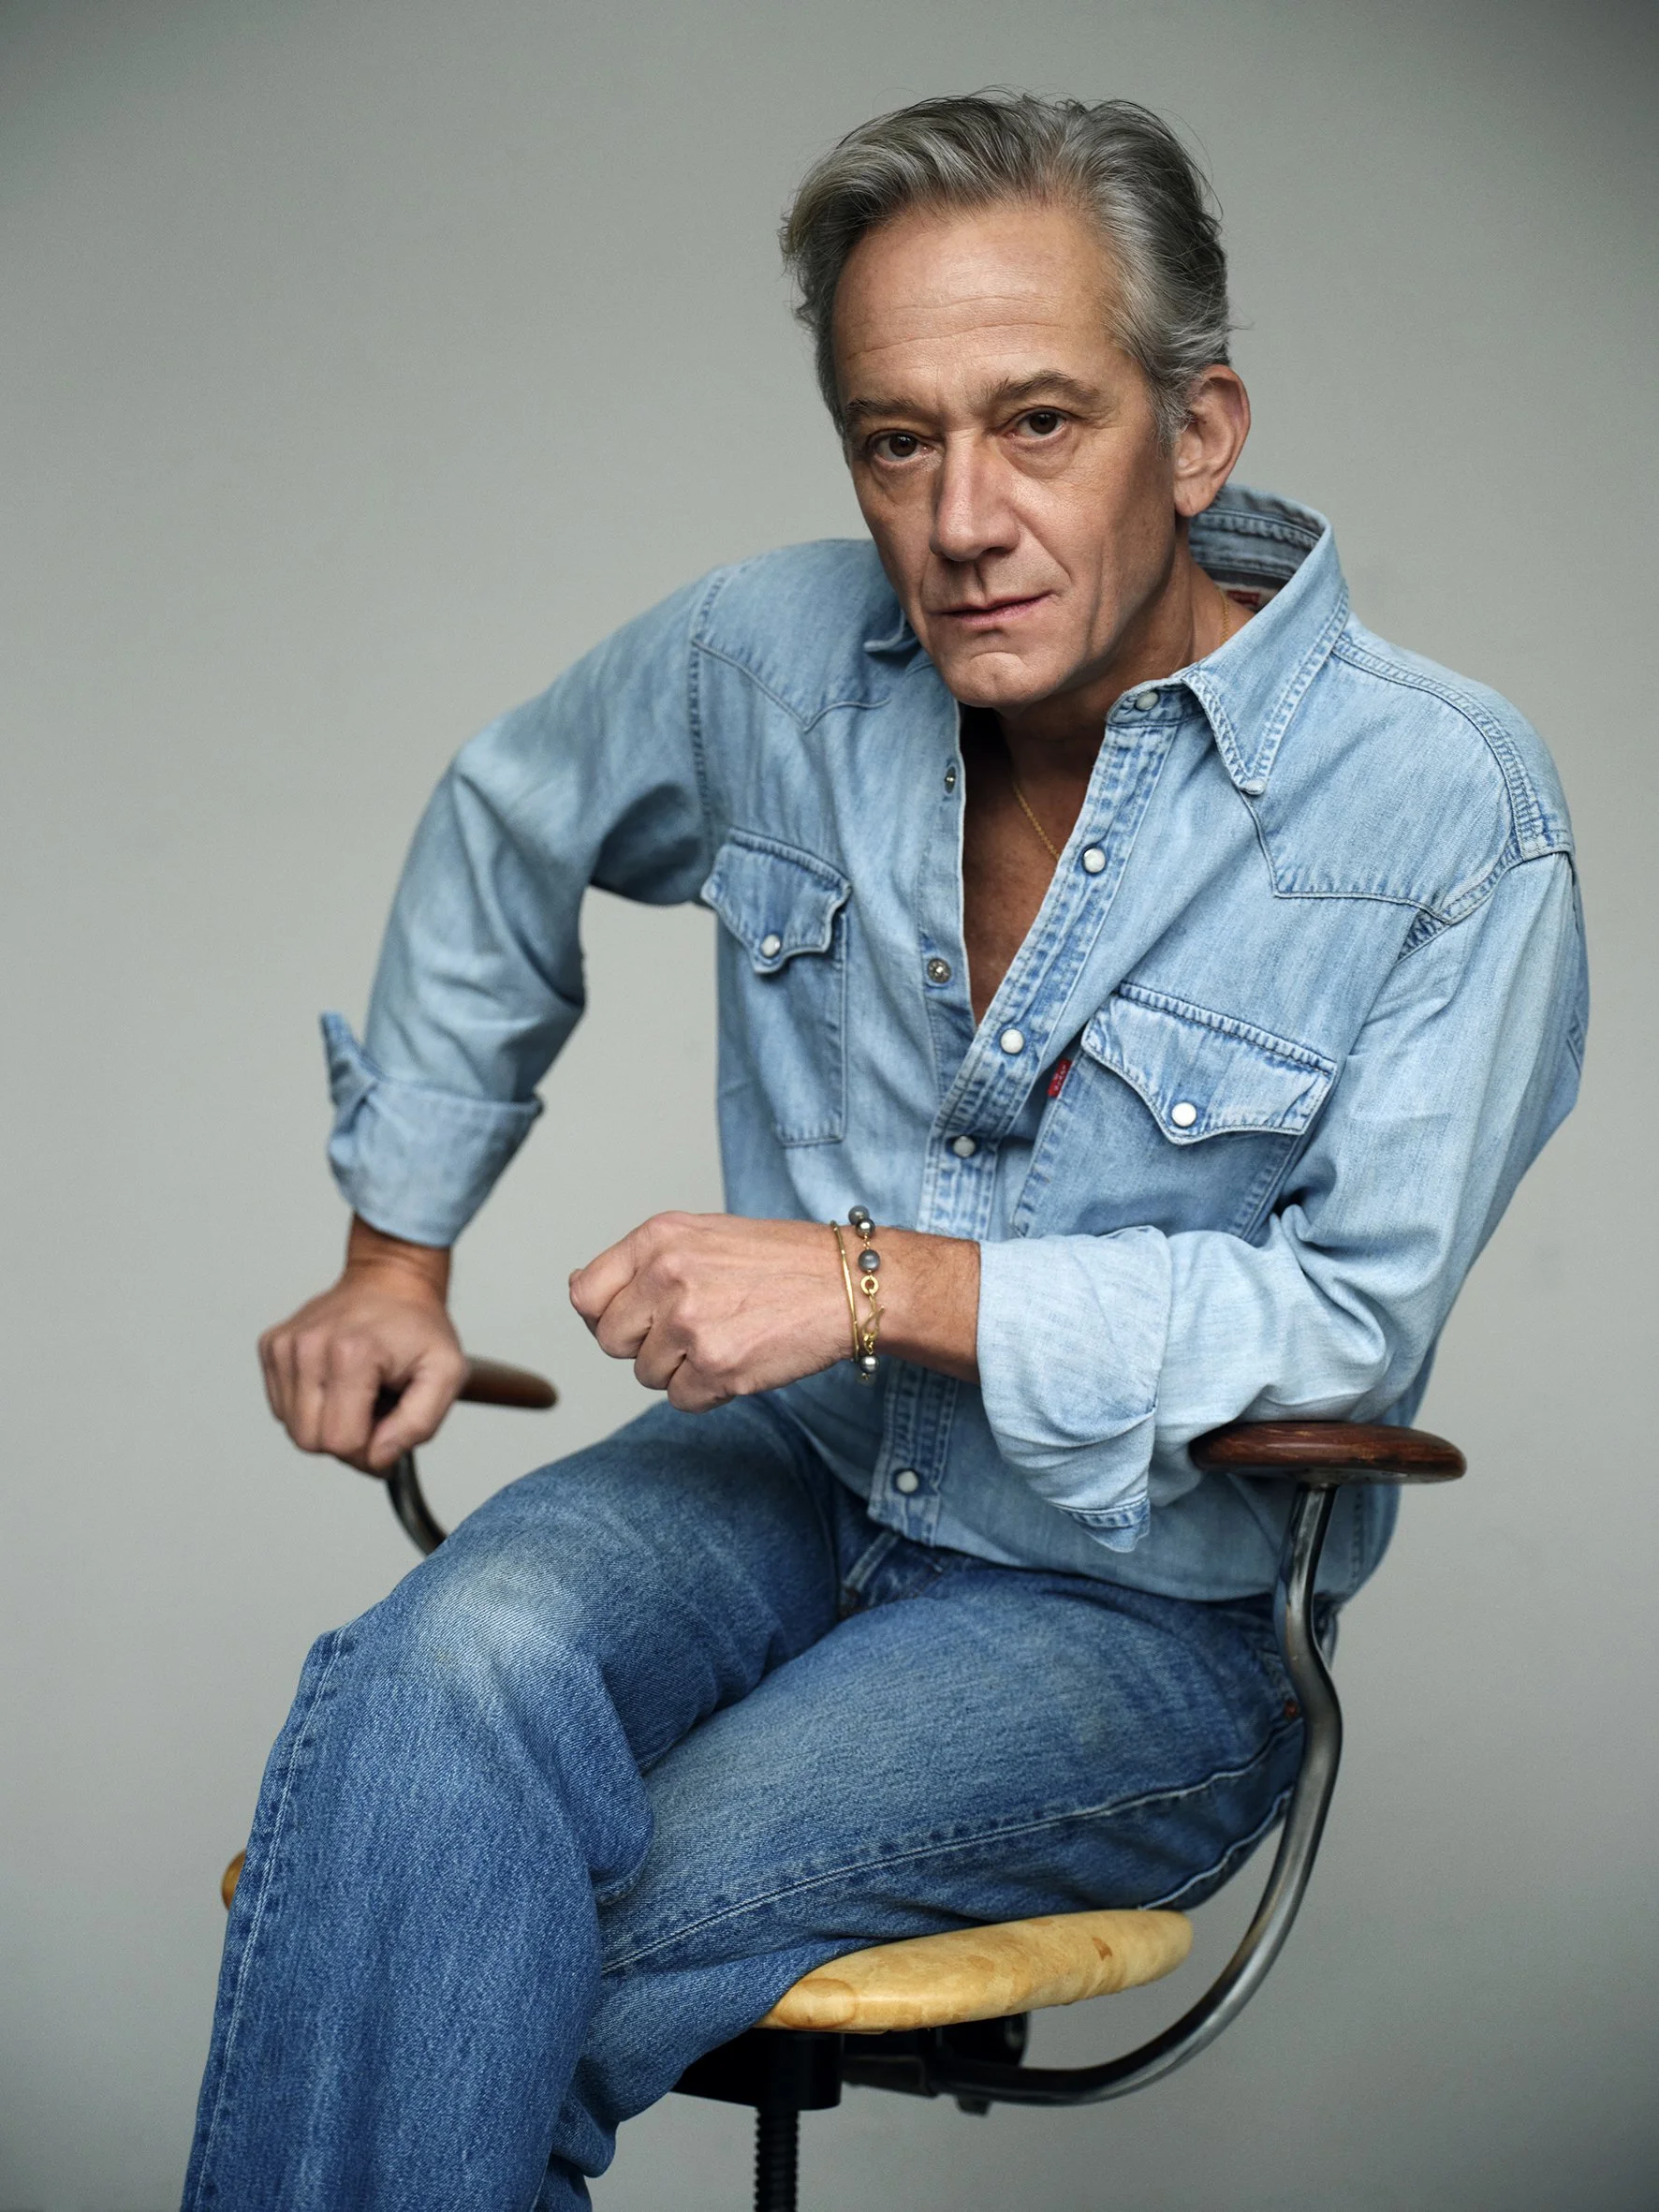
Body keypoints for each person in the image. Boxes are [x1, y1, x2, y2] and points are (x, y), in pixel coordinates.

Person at [183, 93, 1586, 2211]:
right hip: (787, 1474)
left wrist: (871, 1283)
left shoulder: (1448, 808)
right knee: (423, 1690)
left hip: (1131, 1608)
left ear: (1197, 431)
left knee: (479, 1921)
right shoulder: (766, 659)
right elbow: (510, 815)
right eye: (895, 441)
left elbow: (1342, 1331)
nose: (960, 521)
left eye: (1040, 424)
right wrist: (396, 1252)